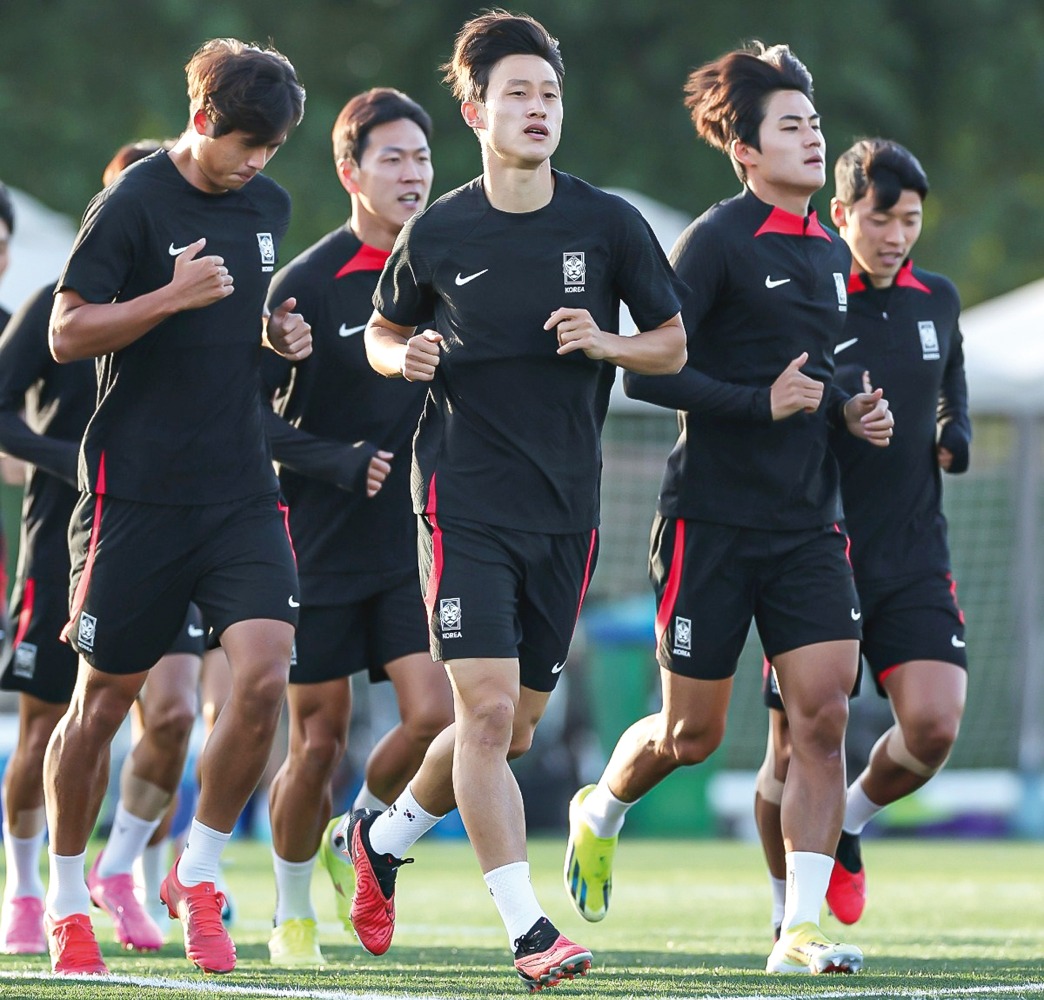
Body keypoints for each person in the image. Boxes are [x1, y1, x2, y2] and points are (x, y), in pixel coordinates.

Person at [337, 11, 687, 992]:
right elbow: (379, 329)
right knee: (486, 712)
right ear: (475, 110)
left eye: (549, 94)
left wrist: (608, 343)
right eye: (518, 94)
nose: (538, 109)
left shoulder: (608, 224)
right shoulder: (439, 230)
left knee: (516, 727)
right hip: (461, 499)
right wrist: (400, 355)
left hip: (566, 509)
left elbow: (671, 343)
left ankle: (382, 839)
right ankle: (530, 932)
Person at [563, 42, 894, 976]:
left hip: (809, 526)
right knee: (691, 736)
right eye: (791, 126)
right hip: (708, 523)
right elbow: (651, 375)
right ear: (746, 150)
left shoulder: (828, 252)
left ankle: (797, 931)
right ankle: (602, 808)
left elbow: (819, 377)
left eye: (814, 123)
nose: (812, 138)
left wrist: (850, 408)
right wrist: (760, 403)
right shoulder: (714, 241)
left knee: (822, 717)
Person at [42, 38, 308, 976]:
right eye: (245, 146)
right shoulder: (133, 201)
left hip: (239, 488)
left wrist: (278, 336)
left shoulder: (269, 205)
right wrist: (169, 295)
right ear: (201, 120)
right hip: (135, 495)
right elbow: (67, 331)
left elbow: (237, 323)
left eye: (271, 149)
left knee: (265, 676)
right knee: (101, 705)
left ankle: (195, 873)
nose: (257, 165)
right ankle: (65, 900)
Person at [754, 138, 970, 932]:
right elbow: (779, 402)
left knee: (934, 726)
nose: (896, 235)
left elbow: (949, 378)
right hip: (816, 551)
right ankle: (787, 914)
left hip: (913, 552)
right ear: (842, 214)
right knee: (791, 752)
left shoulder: (937, 298)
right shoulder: (808, 298)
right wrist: (841, 413)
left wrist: (954, 428)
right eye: (881, 219)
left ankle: (845, 819)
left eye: (910, 220)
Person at [260, 87, 454, 967]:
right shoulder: (304, 284)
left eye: (422, 157)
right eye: (393, 158)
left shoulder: (447, 271)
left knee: (434, 716)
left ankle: (364, 833)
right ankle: (291, 910)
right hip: (317, 547)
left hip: (413, 542)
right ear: (351, 171)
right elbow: (245, 420)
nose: (413, 173)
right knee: (319, 741)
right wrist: (334, 460)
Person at [0, 142, 206, 957]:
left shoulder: (193, 304)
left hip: (166, 533)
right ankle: (26, 887)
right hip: (64, 540)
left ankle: (118, 870)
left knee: (177, 711)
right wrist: (81, 462)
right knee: (49, 722)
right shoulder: (55, 305)